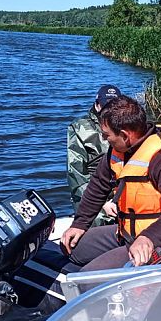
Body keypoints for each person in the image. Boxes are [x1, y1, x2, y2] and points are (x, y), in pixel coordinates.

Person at [61, 95, 161, 270]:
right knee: (71, 248)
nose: (104, 140)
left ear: (125, 135)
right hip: (127, 232)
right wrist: (79, 224)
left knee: (87, 277)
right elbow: (98, 185)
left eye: (107, 135)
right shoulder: (118, 149)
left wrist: (148, 238)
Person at [67, 84, 121, 226]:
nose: (110, 112)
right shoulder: (79, 128)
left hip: (119, 191)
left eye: (115, 107)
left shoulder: (124, 125)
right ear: (97, 105)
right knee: (97, 226)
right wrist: (102, 204)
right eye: (106, 106)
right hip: (91, 194)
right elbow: (76, 174)